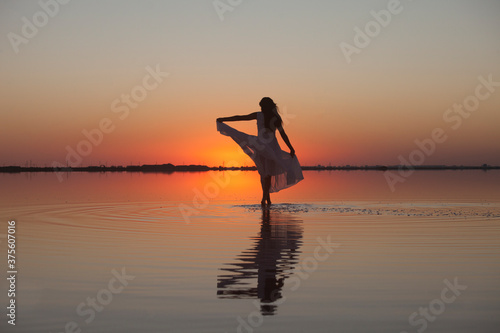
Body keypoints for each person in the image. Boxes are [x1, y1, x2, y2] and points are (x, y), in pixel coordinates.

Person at [217, 97, 304, 205]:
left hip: (264, 147)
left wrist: (291, 148)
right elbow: (241, 117)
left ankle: (265, 198)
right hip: (268, 147)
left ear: (265, 106)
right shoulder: (272, 117)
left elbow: (283, 134)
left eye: (262, 106)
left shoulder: (264, 116)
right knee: (265, 173)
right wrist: (224, 119)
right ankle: (266, 199)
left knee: (265, 173)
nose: (261, 108)